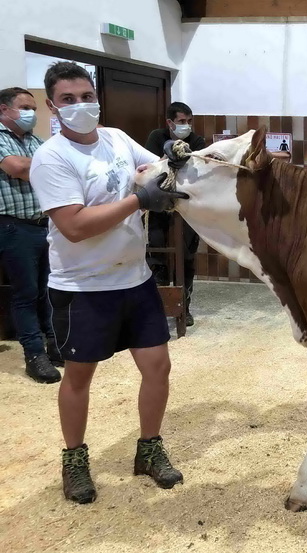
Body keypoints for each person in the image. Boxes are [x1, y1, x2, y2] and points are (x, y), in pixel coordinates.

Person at [29, 62, 186, 504]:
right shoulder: (52, 157)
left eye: (86, 96)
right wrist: (138, 197)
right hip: (82, 286)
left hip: (134, 279)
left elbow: (153, 167)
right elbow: (75, 225)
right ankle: (74, 459)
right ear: (52, 106)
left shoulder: (116, 138)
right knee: (80, 376)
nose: (81, 106)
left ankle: (149, 449)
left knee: (158, 367)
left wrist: (168, 160)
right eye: (68, 99)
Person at [0, 87, 62, 383]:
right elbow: (15, 167)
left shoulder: (35, 140)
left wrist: (37, 167)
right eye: (24, 107)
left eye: (33, 108)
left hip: (43, 224)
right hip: (13, 227)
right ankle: (34, 354)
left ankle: (56, 346)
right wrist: (43, 166)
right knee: (26, 293)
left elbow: (44, 169)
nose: (31, 114)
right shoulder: (0, 138)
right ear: (4, 110)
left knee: (50, 290)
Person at [144, 102, 205, 327]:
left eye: (189, 122)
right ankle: (158, 308)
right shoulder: (156, 137)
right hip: (159, 205)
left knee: (186, 257)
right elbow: (151, 168)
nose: (186, 126)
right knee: (156, 255)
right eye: (181, 122)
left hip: (186, 206)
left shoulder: (197, 141)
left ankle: (184, 307)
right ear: (170, 123)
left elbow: (197, 172)